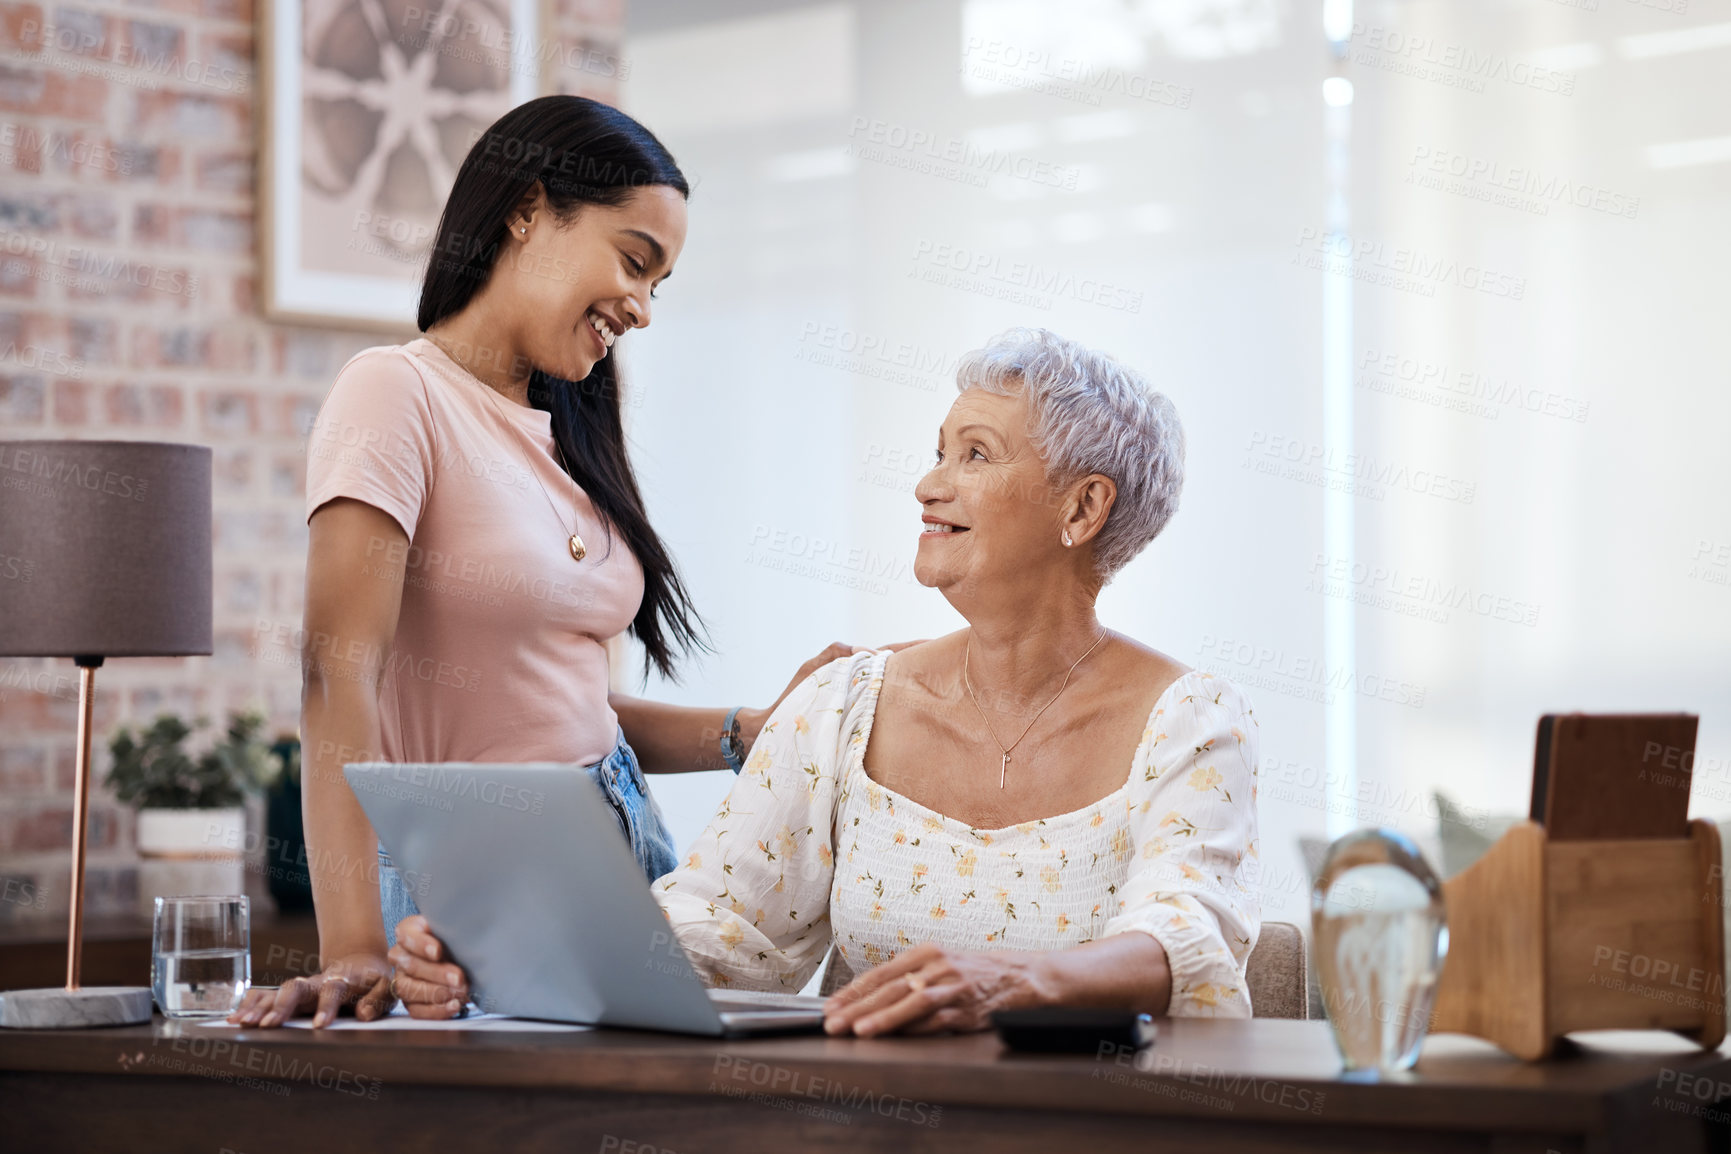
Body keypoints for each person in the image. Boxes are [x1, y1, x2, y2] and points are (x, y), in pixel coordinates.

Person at [229, 95, 865, 1029]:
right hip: (474, 882)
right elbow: (337, 672)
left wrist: (750, 731)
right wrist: (353, 949)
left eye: (661, 285)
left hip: (622, 849)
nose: (643, 309)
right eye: (634, 262)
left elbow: (559, 707)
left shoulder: (571, 433)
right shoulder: (394, 394)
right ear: (528, 209)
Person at [654, 328, 1262, 1034]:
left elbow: (1184, 940)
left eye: (975, 454)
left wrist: (1012, 980)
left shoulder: (1193, 721)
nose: (927, 485)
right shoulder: (843, 705)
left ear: (1082, 508)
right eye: (938, 452)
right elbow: (714, 927)